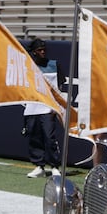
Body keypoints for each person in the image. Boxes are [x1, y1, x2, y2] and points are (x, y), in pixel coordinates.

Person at [21, 37, 62, 179]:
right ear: (33, 52)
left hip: (47, 108)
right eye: (39, 50)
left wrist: (55, 107)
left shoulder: (53, 65)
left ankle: (55, 166)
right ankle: (39, 166)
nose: (43, 52)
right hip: (32, 108)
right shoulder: (27, 67)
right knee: (34, 137)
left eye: (44, 49)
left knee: (50, 137)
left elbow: (60, 88)